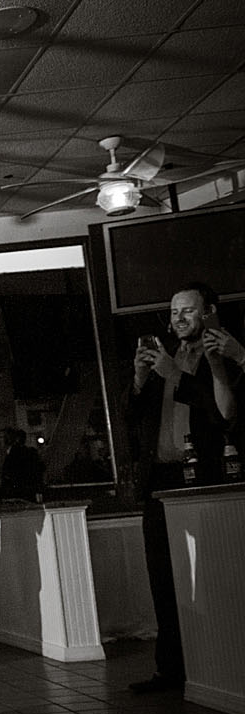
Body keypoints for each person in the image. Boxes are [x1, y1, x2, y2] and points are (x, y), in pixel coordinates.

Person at [123, 282, 243, 693]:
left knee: (212, 578)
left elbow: (222, 415)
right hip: (160, 481)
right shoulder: (165, 359)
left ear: (208, 311)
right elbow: (131, 420)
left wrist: (176, 375)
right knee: (165, 580)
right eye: (174, 312)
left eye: (188, 311)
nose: (179, 319)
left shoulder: (224, 354)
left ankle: (218, 666)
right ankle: (170, 671)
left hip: (207, 479)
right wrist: (139, 379)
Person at [0, 427, 44, 501]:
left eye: (1, 437)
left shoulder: (16, 453)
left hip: (18, 492)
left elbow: (15, 472)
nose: (0, 440)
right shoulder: (15, 452)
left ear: (9, 438)